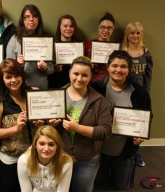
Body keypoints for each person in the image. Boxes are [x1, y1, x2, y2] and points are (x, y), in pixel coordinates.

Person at [92, 50, 152, 189]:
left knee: (120, 186)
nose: (118, 70)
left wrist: (140, 135)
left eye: (123, 66)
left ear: (129, 69)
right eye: (114, 65)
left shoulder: (140, 93)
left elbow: (148, 117)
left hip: (124, 152)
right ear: (108, 67)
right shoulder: (96, 89)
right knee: (99, 185)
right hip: (98, 150)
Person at [56, 56, 112, 192]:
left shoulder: (99, 100)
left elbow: (105, 131)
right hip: (60, 157)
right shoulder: (56, 95)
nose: (79, 79)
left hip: (87, 160)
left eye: (84, 75)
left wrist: (78, 128)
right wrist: (50, 124)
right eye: (76, 74)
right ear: (69, 73)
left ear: (91, 76)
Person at [0, 58, 41, 192]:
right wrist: (15, 128)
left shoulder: (34, 93)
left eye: (17, 75)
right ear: (2, 79)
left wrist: (42, 123)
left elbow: (45, 123)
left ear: (22, 76)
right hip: (11, 159)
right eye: (8, 77)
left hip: (36, 156)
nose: (13, 80)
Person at [121, 22, 153, 167]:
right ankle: (124, 152)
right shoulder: (122, 51)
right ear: (127, 35)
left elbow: (148, 75)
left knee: (139, 125)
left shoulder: (146, 52)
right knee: (124, 123)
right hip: (125, 92)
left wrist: (146, 94)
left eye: (138, 33)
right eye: (132, 33)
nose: (135, 36)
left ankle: (136, 153)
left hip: (140, 94)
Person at [6, 4, 54, 89]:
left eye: (35, 16)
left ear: (39, 19)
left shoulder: (46, 39)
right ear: (23, 20)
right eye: (27, 16)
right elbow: (7, 68)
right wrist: (17, 64)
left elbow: (52, 69)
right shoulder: (15, 39)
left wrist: (45, 67)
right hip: (20, 87)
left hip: (41, 87)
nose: (31, 19)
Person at [17, 125, 73, 192]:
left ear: (57, 146)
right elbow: (26, 190)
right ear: (35, 145)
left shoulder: (66, 162)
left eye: (51, 144)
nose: (46, 149)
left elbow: (63, 190)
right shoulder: (24, 161)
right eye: (42, 144)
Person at [84, 12, 116, 84]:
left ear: (113, 28)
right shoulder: (88, 44)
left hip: (109, 84)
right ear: (98, 27)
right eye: (103, 27)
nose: (105, 30)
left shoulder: (115, 47)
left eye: (109, 28)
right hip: (90, 84)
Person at [48, 14, 78, 88]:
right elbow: (47, 70)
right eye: (65, 26)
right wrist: (55, 68)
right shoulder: (51, 46)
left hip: (73, 85)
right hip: (55, 84)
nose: (68, 28)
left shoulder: (79, 47)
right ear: (59, 27)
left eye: (71, 26)